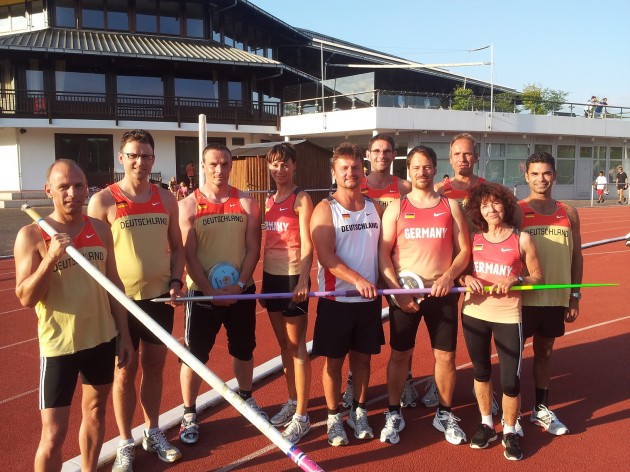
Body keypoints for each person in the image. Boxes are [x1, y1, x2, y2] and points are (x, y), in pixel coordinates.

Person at [14, 159, 133, 472]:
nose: (72, 193)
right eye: (63, 186)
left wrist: (124, 335)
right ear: (48, 191)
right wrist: (50, 259)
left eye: (78, 185)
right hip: (59, 346)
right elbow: (26, 297)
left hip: (102, 339)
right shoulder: (31, 235)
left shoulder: (101, 230)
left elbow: (115, 285)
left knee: (95, 413)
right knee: (53, 435)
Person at [88, 129, 186, 469]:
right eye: (132, 155)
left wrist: (176, 280)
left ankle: (153, 430)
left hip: (158, 300)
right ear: (121, 157)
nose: (139, 162)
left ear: (153, 160)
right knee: (124, 372)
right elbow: (93, 258)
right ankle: (126, 441)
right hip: (121, 303)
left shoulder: (166, 199)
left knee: (155, 368)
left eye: (145, 156)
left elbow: (178, 247)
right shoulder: (103, 201)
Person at [378, 145, 471, 446]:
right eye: (416, 167)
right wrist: (397, 294)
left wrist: (449, 276)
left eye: (427, 166)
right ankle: (394, 412)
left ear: (434, 168)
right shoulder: (396, 207)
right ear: (409, 171)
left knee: (445, 355)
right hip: (405, 294)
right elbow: (383, 254)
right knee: (400, 354)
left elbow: (465, 251)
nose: (422, 172)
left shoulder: (451, 207)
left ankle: (444, 413)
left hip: (441, 292)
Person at [178, 143, 266, 446]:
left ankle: (246, 398)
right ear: (202, 166)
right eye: (213, 164)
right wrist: (210, 291)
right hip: (202, 295)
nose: (219, 170)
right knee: (194, 357)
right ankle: (189, 412)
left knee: (244, 349)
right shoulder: (189, 205)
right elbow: (189, 256)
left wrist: (240, 286)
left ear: (231, 166)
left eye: (225, 164)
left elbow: (254, 247)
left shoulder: (247, 202)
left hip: (241, 291)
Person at [460, 182, 543, 461]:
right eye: (485, 205)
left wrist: (516, 279)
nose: (491, 209)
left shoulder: (522, 239)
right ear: (478, 210)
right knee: (481, 373)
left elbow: (537, 277)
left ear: (505, 206)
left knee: (510, 382)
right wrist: (465, 278)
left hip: (508, 316)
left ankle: (509, 430)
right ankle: (486, 425)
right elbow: (460, 273)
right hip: (474, 314)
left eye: (496, 203)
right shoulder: (474, 239)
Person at [310, 142, 384, 447]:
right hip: (337, 300)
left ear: (362, 169)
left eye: (355, 167)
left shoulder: (374, 207)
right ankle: (332, 417)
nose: (350, 173)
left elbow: (383, 252)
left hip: (367, 302)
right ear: (334, 172)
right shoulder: (326, 209)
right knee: (334, 363)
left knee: (363, 361)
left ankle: (359, 411)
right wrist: (357, 279)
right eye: (344, 168)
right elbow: (326, 256)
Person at [342, 134, 415, 410]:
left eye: (387, 151)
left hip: (398, 270)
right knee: (359, 333)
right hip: (365, 270)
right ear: (368, 155)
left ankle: (405, 379)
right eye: (376, 151)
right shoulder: (354, 184)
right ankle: (353, 380)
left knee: (402, 332)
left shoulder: (405, 187)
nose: (382, 156)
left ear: (394, 155)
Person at [515, 151, 583, 437]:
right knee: (514, 357)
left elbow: (576, 256)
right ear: (526, 176)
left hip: (555, 299)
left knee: (544, 352)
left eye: (546, 173)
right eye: (535, 173)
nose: (541, 179)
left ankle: (540, 409)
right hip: (523, 300)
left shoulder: (568, 212)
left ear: (554, 175)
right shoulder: (517, 210)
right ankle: (512, 413)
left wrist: (575, 296)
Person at [422, 133, 490, 411]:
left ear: (476, 156)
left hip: (485, 270)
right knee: (444, 336)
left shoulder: (489, 190)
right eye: (458, 154)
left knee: (481, 330)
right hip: (451, 271)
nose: (463, 159)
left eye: (468, 153)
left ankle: (484, 387)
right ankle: (435, 383)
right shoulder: (439, 191)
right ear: (450, 159)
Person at [262, 143, 314, 444]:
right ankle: (293, 400)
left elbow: (308, 243)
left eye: (284, 164)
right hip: (271, 279)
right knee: (283, 344)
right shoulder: (268, 200)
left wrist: (304, 279)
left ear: (294, 167)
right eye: (274, 165)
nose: (279, 170)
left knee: (297, 348)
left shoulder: (301, 199)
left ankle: (303, 416)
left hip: (293, 277)